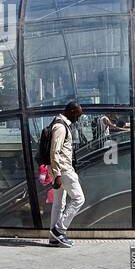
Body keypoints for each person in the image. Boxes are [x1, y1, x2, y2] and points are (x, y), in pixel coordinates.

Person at [47, 101, 85, 248]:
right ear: (71, 111)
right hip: (63, 170)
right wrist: (56, 175)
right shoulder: (61, 127)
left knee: (59, 204)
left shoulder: (59, 124)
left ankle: (54, 238)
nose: (78, 118)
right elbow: (54, 151)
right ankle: (59, 229)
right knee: (79, 198)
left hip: (59, 170)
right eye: (77, 115)